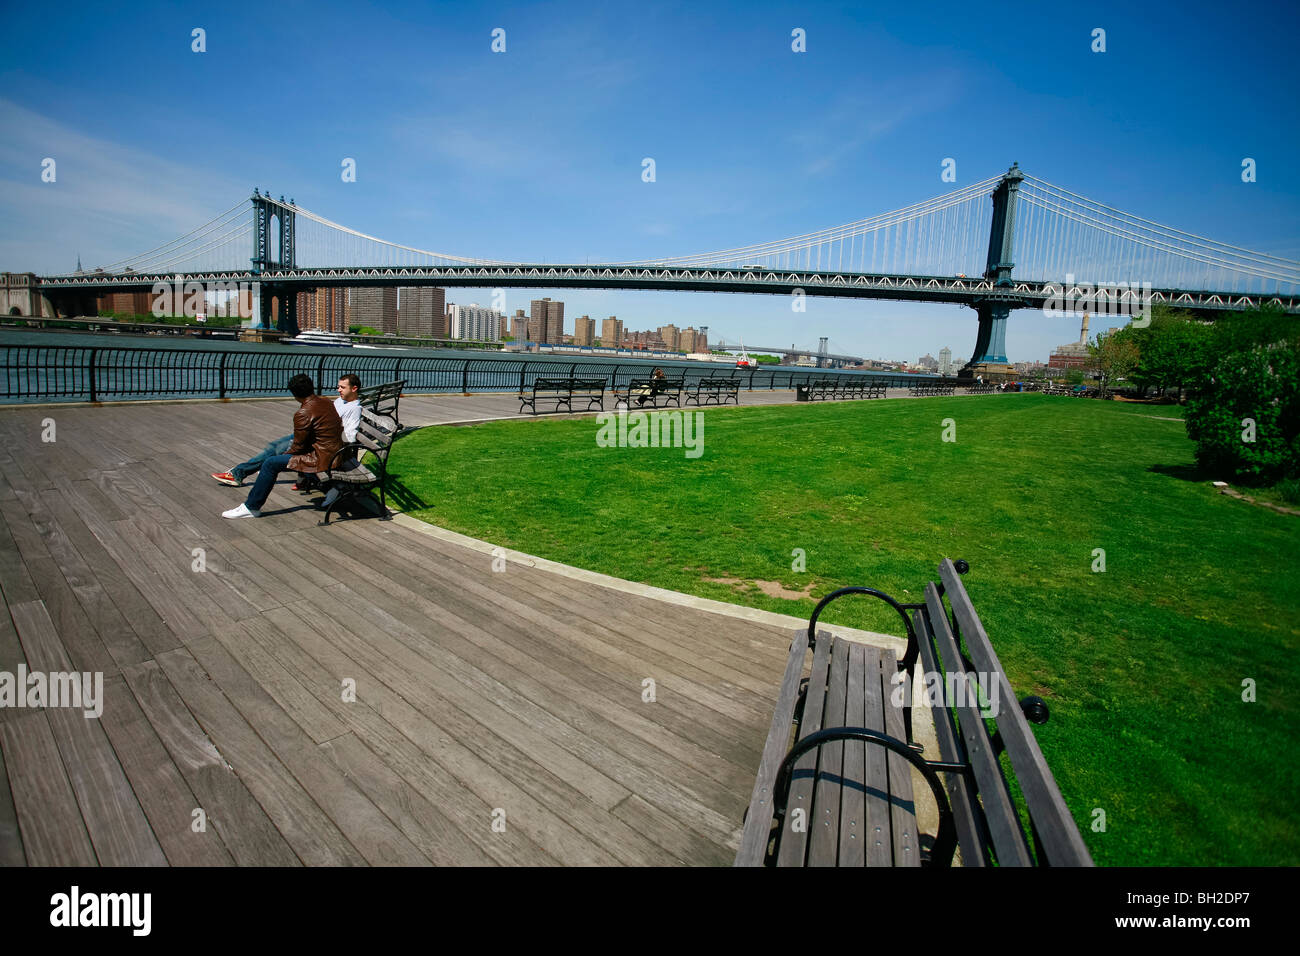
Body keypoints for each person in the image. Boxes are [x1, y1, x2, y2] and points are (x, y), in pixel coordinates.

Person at [222, 374, 343, 518]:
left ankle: (251, 507)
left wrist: (282, 456)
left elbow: (298, 447)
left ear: (294, 394)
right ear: (311, 387)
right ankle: (331, 488)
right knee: (284, 457)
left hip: (322, 457)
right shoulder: (326, 402)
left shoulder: (303, 413)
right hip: (336, 452)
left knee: (270, 464)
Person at [212, 373, 362, 486]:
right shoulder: (339, 401)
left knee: (275, 452)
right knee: (274, 447)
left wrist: (330, 432)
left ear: (354, 389)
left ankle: (239, 473)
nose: (338, 390)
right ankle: (243, 470)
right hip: (314, 436)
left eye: (342, 387)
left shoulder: (354, 408)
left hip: (321, 444)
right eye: (338, 386)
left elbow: (349, 436)